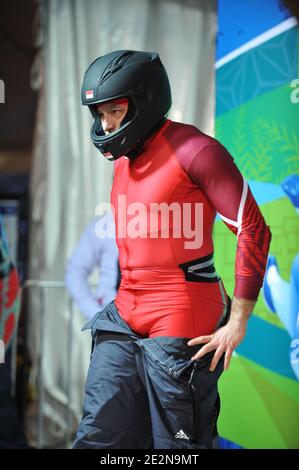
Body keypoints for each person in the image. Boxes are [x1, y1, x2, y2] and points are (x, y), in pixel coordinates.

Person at [73, 50, 271, 449]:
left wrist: (237, 321)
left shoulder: (197, 150)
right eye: (100, 114)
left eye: (114, 111)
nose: (106, 124)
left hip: (182, 311)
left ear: (144, 99)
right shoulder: (124, 160)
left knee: (177, 447)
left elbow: (253, 227)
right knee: (99, 437)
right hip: (125, 311)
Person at [65, 211, 119, 321]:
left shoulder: (160, 224)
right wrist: (96, 314)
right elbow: (75, 271)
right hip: (111, 313)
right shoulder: (104, 225)